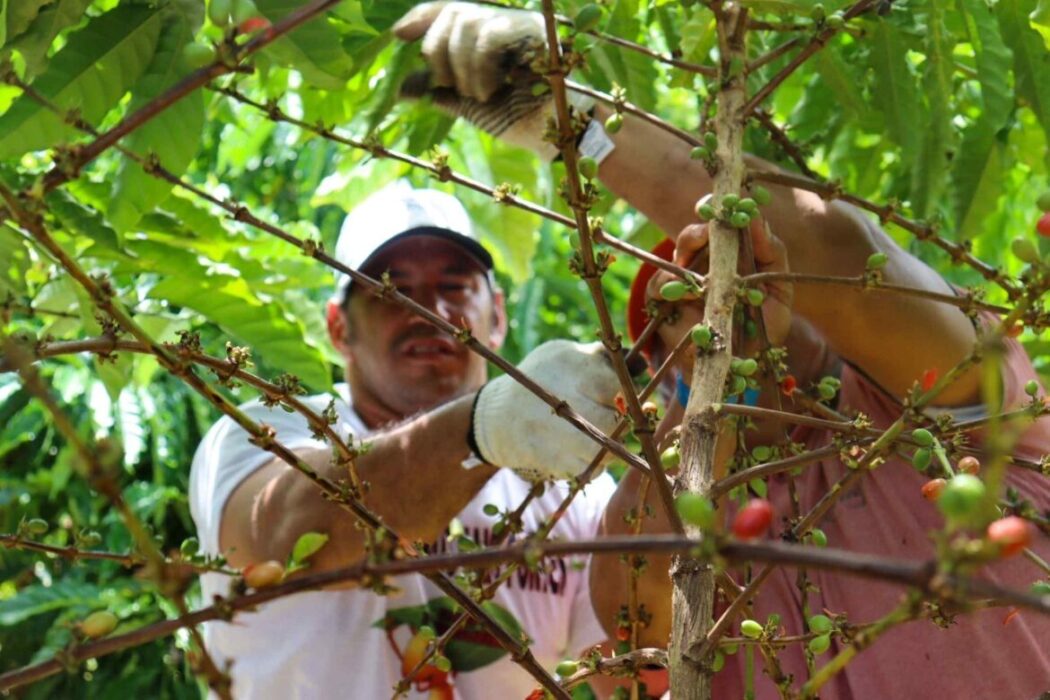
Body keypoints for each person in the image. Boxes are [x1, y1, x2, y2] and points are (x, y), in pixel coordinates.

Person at [390, 3, 1050, 698]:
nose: (716, 293)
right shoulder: (675, 502)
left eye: (734, 265)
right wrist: (705, 403)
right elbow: (640, 617)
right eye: (677, 308)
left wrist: (573, 119)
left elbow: (849, 260)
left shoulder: (932, 411)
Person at [189, 181, 633, 699]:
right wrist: (483, 428)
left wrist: (684, 400)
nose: (430, 312)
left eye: (454, 286)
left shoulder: (571, 486)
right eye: (389, 290)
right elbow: (288, 535)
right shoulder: (262, 435)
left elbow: (633, 664)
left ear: (498, 317)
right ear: (338, 328)